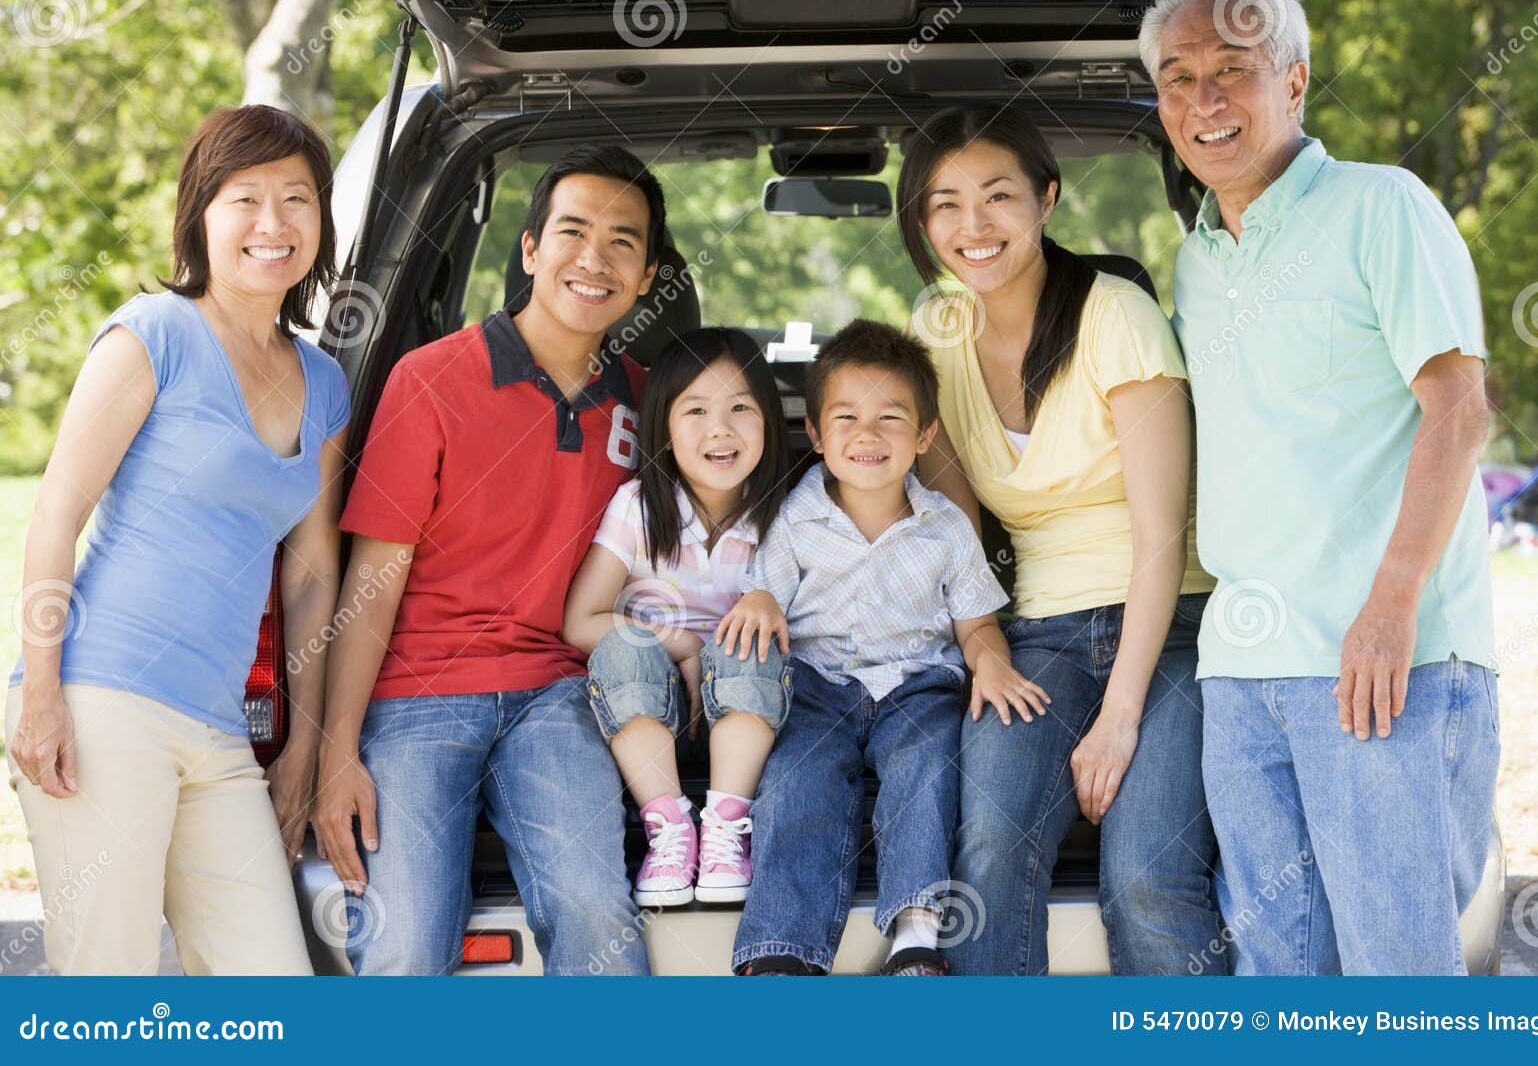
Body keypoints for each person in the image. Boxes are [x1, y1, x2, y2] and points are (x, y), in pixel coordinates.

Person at [1142, 0, 1499, 974]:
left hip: (1386, 660)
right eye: (1178, 78)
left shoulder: (1382, 206)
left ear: (1293, 81)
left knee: (1398, 973)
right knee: (1278, 973)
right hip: (1244, 668)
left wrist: (1390, 600)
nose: (1204, 101)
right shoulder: (1197, 258)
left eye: (1232, 71)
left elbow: (1460, 406)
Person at [5, 105, 349, 974]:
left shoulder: (324, 380)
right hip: (103, 700)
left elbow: (312, 576)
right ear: (203, 211)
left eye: (297, 199)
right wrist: (41, 693)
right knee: (106, 982)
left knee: (271, 987)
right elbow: (55, 516)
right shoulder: (151, 334)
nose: (273, 225)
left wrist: (303, 744)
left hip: (218, 729)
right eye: (247, 199)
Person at [312, 146, 664, 975]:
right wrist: (336, 755)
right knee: (403, 943)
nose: (595, 258)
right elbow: (371, 583)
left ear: (647, 277)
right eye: (573, 232)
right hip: (418, 693)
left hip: (559, 692)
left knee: (595, 911)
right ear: (532, 250)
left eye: (624, 242)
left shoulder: (651, 401)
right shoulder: (430, 377)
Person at [899, 104, 1225, 974]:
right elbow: (954, 525)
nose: (974, 226)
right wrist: (983, 642)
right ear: (922, 222)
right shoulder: (932, 333)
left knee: (1148, 875)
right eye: (945, 205)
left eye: (998, 196)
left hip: (1174, 629)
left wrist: (1118, 718)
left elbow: (1161, 535)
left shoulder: (1117, 315)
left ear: (1046, 199)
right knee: (992, 855)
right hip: (1040, 633)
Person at [723, 319, 1021, 977]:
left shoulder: (946, 526)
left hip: (918, 685)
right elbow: (763, 596)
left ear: (924, 435)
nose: (868, 433)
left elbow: (977, 623)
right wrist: (763, 599)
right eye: (848, 416)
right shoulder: (793, 516)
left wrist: (991, 658)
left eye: (891, 417)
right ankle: (781, 947)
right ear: (818, 434)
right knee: (797, 778)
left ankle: (916, 934)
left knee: (928, 765)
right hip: (817, 687)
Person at [563, 328, 792, 907]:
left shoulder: (788, 514)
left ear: (770, 420)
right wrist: (683, 645)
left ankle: (724, 827)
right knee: (623, 647)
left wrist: (721, 646)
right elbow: (581, 619)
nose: (721, 428)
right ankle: (668, 827)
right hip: (649, 717)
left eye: (741, 407)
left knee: (752, 643)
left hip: (751, 721)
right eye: (695, 410)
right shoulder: (639, 506)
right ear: (662, 424)